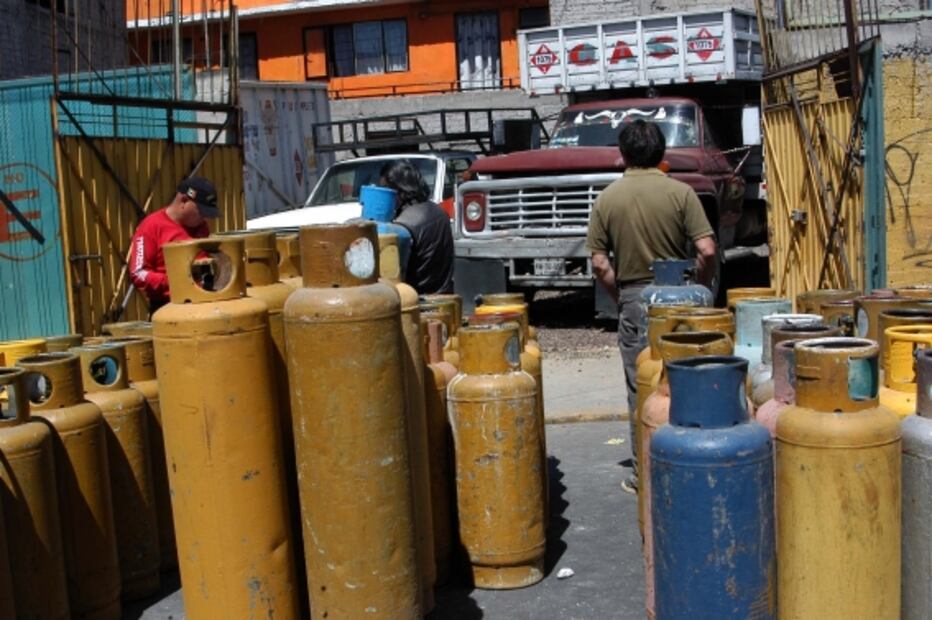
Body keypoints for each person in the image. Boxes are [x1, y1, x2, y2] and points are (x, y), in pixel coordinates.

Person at [586, 120, 717, 493]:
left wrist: (622, 297)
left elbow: (599, 263)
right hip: (682, 300)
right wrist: (700, 290)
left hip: (634, 299)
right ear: (661, 153)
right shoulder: (682, 193)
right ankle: (692, 462)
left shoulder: (608, 198)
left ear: (623, 155)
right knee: (688, 381)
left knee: (641, 386)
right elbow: (706, 249)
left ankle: (644, 474)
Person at [130, 176, 219, 313]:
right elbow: (138, 273)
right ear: (183, 201)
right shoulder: (150, 227)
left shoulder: (201, 227)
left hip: (204, 302)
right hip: (169, 307)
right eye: (201, 212)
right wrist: (176, 280)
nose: (204, 218)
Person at [380, 160, 454, 294]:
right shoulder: (439, 211)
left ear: (398, 189)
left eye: (385, 189)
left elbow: (394, 277)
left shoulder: (404, 225)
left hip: (419, 301)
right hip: (444, 295)